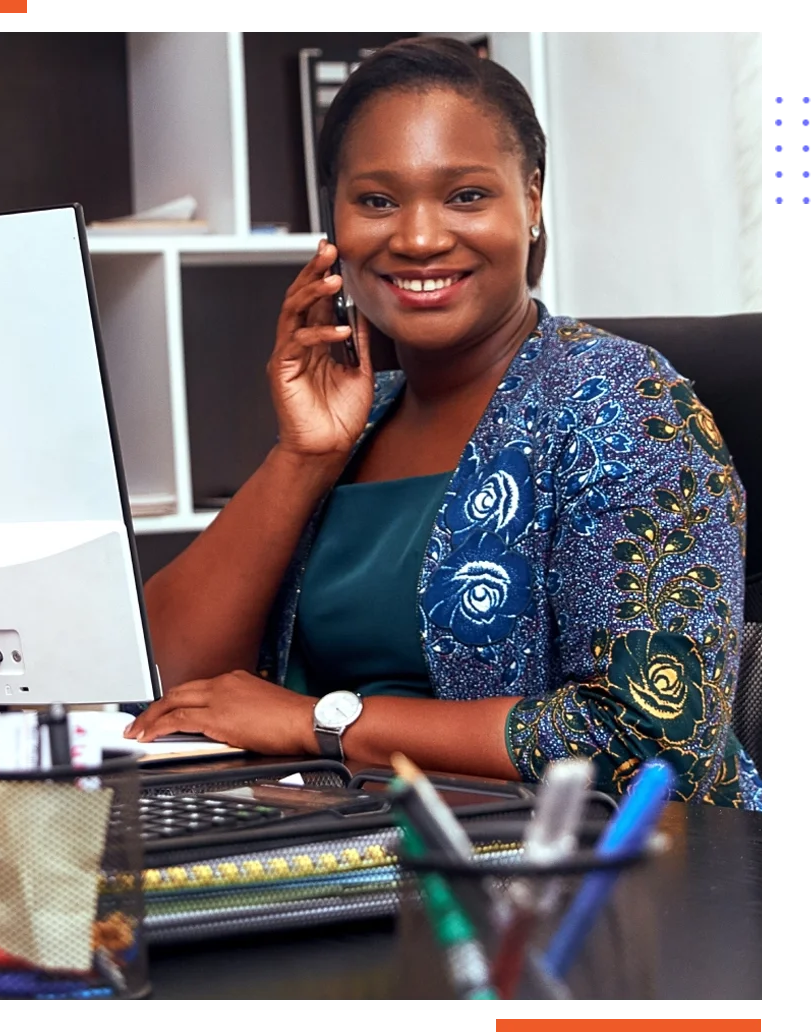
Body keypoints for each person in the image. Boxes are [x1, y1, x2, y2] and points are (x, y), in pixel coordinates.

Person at [125, 36, 763, 811]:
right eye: (376, 200)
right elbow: (161, 684)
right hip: (324, 846)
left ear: (530, 200)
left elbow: (649, 744)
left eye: (464, 195)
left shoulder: (624, 409)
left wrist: (320, 723)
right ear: (333, 220)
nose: (418, 237)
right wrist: (302, 456)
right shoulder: (357, 421)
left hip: (585, 885)